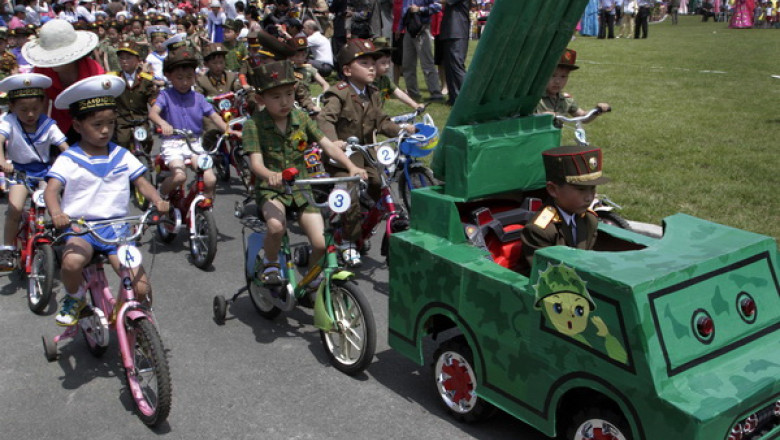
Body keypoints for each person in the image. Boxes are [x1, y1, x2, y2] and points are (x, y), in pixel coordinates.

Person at [44, 74, 168, 325]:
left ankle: (138, 319)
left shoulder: (122, 155)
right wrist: (57, 212)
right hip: (82, 227)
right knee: (71, 262)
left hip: (118, 229)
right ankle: (75, 297)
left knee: (140, 285)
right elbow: (51, 190)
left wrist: (158, 199)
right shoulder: (69, 159)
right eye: (97, 124)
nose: (105, 131)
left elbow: (142, 183)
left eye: (110, 124)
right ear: (78, 126)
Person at [243, 60, 366, 287]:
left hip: (301, 189)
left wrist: (351, 167)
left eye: (289, 94)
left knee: (320, 243)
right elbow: (256, 163)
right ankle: (270, 263)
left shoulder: (301, 118)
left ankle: (311, 280)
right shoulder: (254, 125)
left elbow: (327, 145)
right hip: (272, 189)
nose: (285, 102)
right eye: (276, 96)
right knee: (276, 226)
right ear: (261, 99)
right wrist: (271, 175)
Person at [316, 38, 415, 266]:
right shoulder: (337, 94)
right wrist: (333, 142)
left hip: (366, 155)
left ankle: (362, 218)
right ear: (348, 70)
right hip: (342, 158)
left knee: (378, 184)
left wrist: (400, 129)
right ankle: (348, 241)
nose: (372, 67)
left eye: (373, 62)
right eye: (364, 63)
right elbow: (325, 120)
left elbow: (381, 120)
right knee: (350, 194)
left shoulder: (373, 93)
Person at [0, 74, 69, 270]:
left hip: (44, 172)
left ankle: (64, 241)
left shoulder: (48, 125)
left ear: (43, 105)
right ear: (12, 107)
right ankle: (6, 248)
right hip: (19, 172)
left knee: (58, 205)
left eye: (35, 109)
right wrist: (3, 161)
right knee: (15, 208)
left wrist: (73, 163)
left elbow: (64, 146)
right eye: (23, 110)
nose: (30, 114)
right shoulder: (9, 122)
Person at [148, 50, 235, 204]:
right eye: (179, 78)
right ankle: (160, 196)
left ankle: (205, 208)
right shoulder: (165, 96)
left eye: (189, 77)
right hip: (173, 143)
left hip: (194, 143)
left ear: (195, 77)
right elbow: (153, 113)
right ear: (169, 76)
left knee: (210, 178)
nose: (185, 82)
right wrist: (163, 123)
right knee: (180, 176)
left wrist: (228, 130)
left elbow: (214, 116)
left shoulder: (199, 98)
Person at [520, 145, 609, 267]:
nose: (589, 197)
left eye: (592, 188)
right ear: (553, 190)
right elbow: (546, 274)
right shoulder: (541, 231)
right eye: (581, 189)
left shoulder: (589, 220)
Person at [23, 19, 104, 145]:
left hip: (92, 125)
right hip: (59, 128)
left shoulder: (93, 71)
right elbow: (41, 105)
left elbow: (102, 110)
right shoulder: (41, 70)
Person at [535, 49, 610, 125]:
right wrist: (541, 116)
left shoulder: (566, 100)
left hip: (555, 136)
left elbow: (583, 117)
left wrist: (596, 110)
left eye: (563, 76)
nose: (557, 81)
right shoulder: (534, 99)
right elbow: (524, 118)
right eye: (553, 75)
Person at [110, 41, 158, 154]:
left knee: (147, 140)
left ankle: (147, 161)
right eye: (121, 58)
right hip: (122, 121)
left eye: (128, 58)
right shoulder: (114, 79)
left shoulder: (146, 79)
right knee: (122, 142)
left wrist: (156, 108)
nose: (124, 61)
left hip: (140, 119)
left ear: (137, 60)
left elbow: (153, 98)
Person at [399, 0, 444, 102]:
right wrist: (400, 27)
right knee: (407, 64)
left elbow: (437, 6)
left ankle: (435, 93)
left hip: (422, 28)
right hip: (408, 30)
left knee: (427, 63)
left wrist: (420, 9)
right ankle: (412, 93)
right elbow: (404, 10)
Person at [372, 37, 420, 109]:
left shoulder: (385, 79)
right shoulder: (367, 81)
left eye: (388, 62)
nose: (387, 66)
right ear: (372, 62)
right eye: (383, 63)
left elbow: (399, 93)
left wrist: (415, 105)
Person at [439, 0, 469, 105]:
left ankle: (466, 97)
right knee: (449, 67)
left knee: (456, 66)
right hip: (449, 31)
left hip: (457, 31)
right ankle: (453, 98)